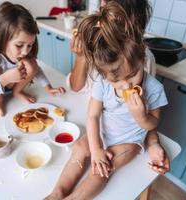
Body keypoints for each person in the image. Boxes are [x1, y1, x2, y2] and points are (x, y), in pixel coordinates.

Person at [45, 2, 168, 199]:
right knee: (79, 148)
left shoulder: (154, 89)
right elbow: (93, 116)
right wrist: (95, 150)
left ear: (141, 57)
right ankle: (57, 193)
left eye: (133, 75)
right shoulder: (102, 81)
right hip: (103, 132)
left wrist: (141, 117)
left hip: (129, 141)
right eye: (117, 82)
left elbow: (153, 123)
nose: (126, 86)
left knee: (102, 169)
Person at [69, 0, 170, 175]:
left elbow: (147, 108)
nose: (102, 14)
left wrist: (153, 143)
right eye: (102, 7)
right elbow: (76, 87)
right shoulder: (97, 46)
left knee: (100, 173)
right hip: (90, 121)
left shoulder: (142, 60)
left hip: (122, 134)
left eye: (109, 10)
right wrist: (81, 56)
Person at [0, 2, 65, 118]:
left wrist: (48, 87)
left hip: (13, 85)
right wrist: (5, 79)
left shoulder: (23, 52)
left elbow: (36, 69)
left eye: (30, 45)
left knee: (31, 63)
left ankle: (17, 92)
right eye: (19, 45)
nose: (25, 52)